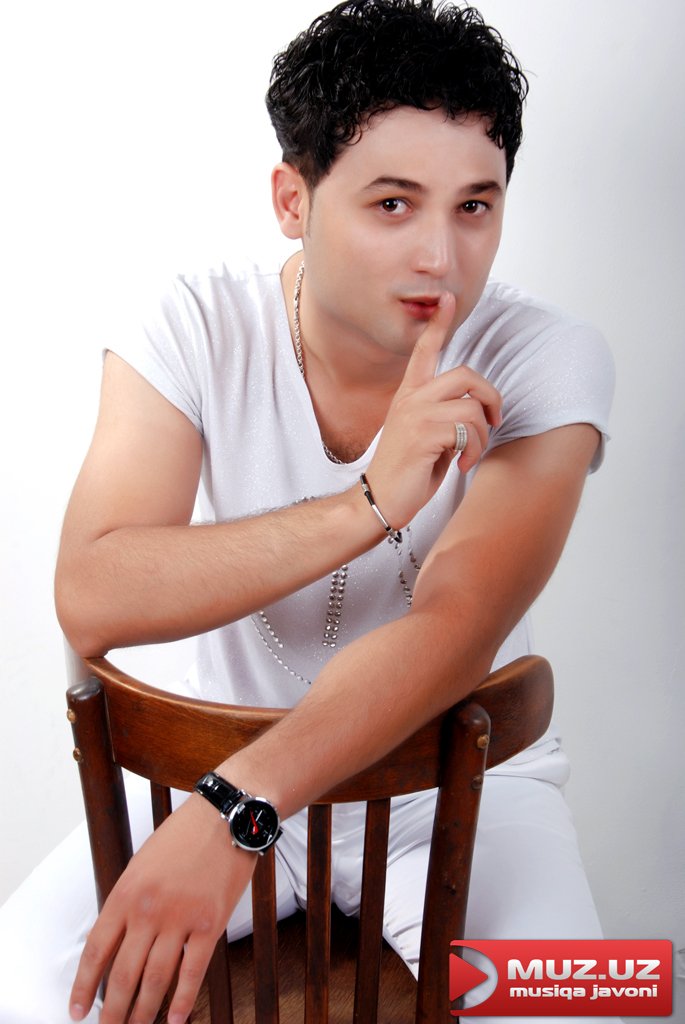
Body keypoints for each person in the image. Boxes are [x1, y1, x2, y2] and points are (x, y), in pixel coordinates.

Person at [0, 2, 618, 1022]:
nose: (441, 256)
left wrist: (240, 805)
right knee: (20, 985)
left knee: (596, 1001)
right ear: (293, 199)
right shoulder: (194, 322)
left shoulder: (545, 354)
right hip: (221, 778)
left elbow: (459, 622)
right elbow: (94, 596)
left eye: (474, 205)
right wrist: (366, 504)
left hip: (451, 803)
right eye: (392, 203)